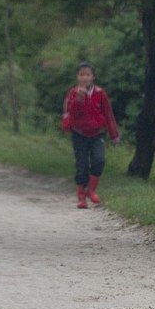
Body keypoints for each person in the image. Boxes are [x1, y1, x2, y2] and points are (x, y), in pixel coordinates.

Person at [61, 62, 120, 208]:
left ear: (93, 77)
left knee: (99, 160)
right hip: (79, 133)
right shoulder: (73, 93)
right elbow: (70, 113)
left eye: (88, 74)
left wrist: (114, 134)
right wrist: (79, 100)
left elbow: (108, 113)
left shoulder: (100, 93)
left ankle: (91, 190)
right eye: (81, 74)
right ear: (77, 77)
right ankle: (81, 196)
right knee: (81, 164)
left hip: (97, 133)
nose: (84, 78)